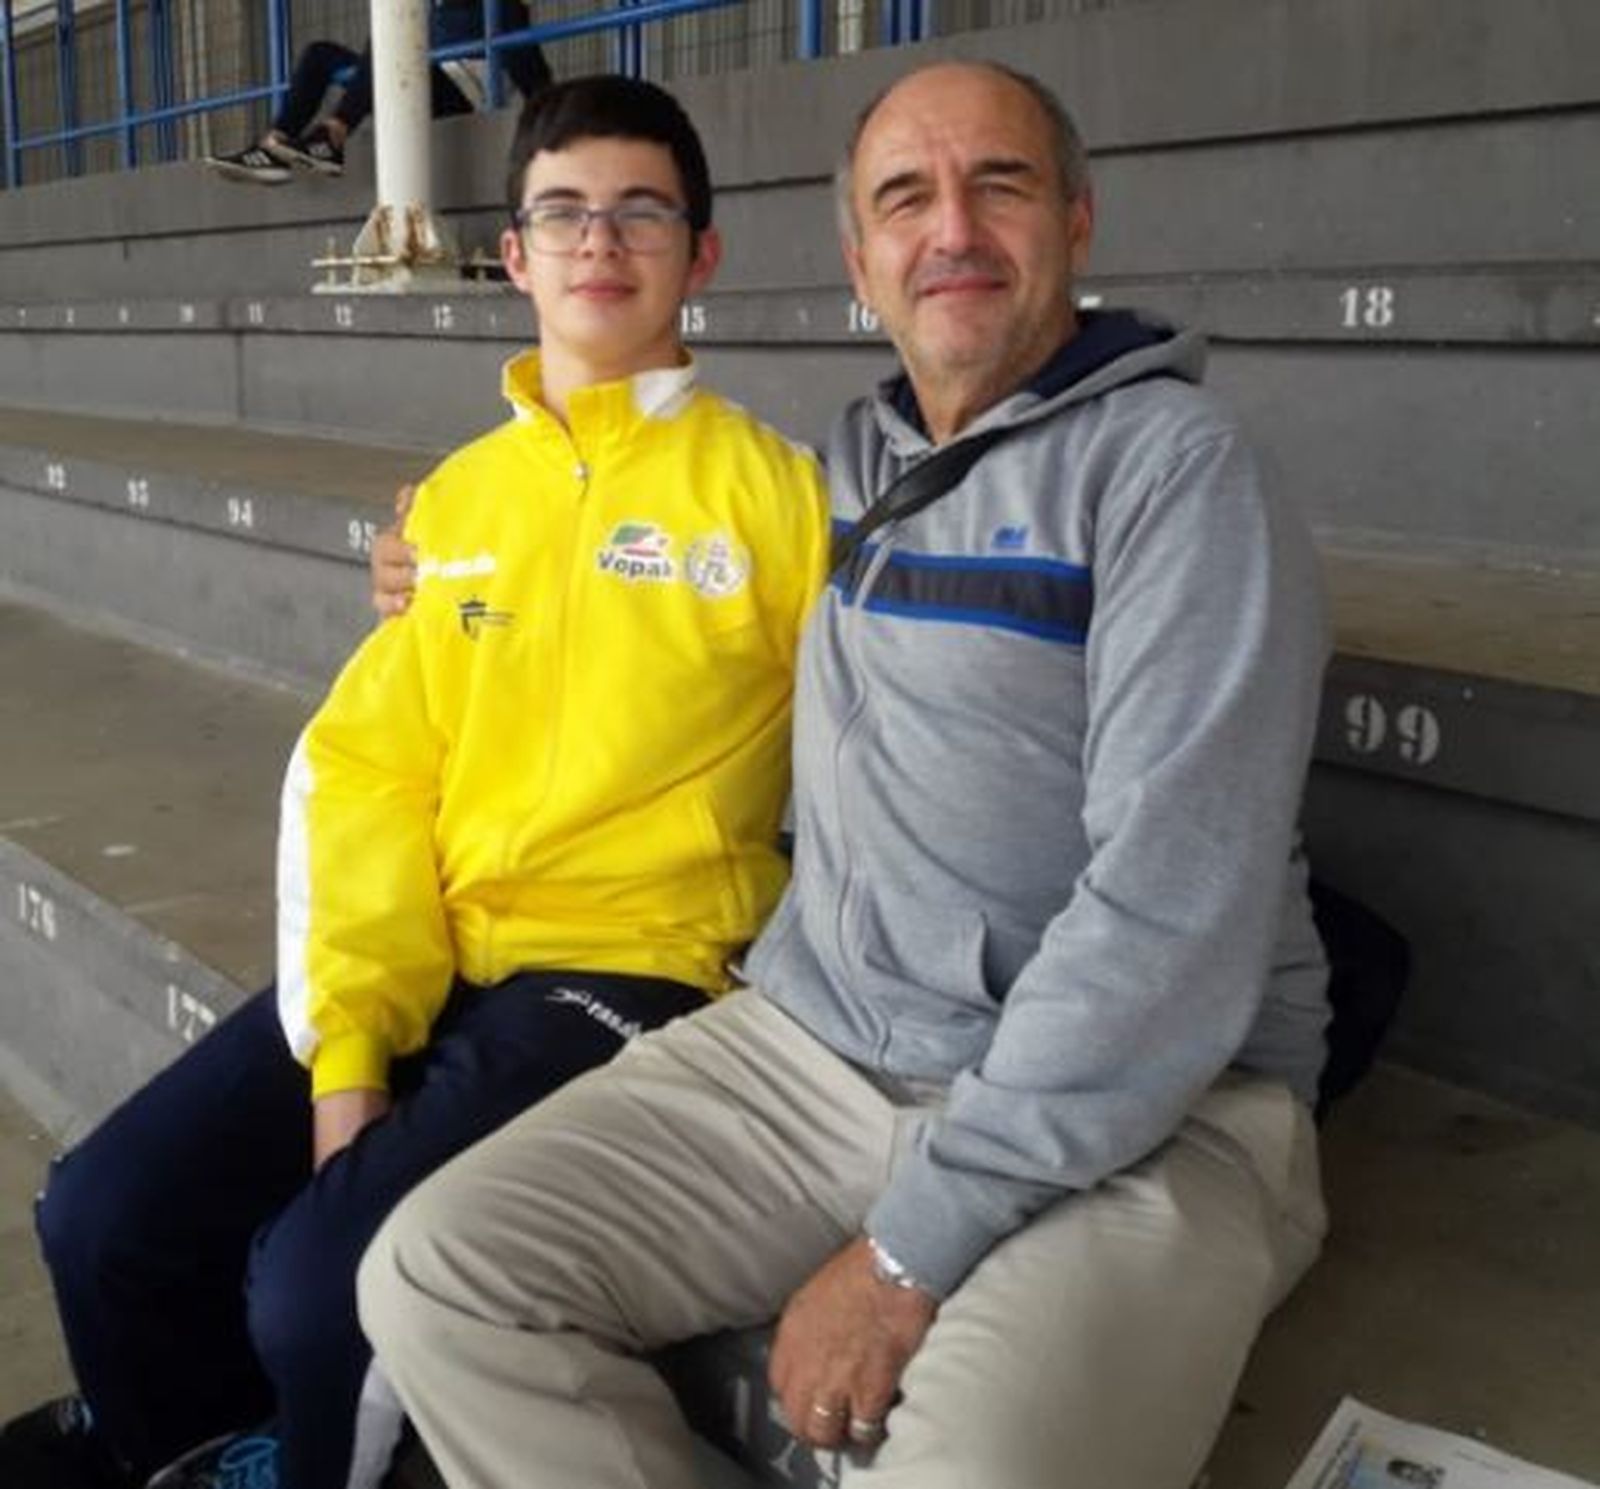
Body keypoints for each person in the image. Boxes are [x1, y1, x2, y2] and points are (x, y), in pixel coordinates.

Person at [357, 60, 1334, 1489]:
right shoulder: (849, 472)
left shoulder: (1179, 474)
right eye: (903, 198)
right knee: (437, 1274)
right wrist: (433, 553)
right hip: (817, 1044)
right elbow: (630, 544)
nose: (950, 229)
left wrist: (901, 1253)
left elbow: (1173, 923)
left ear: (1077, 218)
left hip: (1144, 1107)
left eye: (997, 185)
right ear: (857, 258)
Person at [0, 76, 827, 1489]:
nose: (599, 243)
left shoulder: (783, 499)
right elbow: (378, 774)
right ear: (511, 256)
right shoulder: (453, 505)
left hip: (627, 972)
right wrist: (352, 1056)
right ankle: (209, 1455)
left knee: (318, 1288)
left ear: (703, 253)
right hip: (437, 949)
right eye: (562, 213)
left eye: (642, 211)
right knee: (100, 1214)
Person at [205, 0, 552, 184]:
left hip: (461, 100)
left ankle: (334, 136)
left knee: (391, 37)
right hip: (425, 81)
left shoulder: (503, 7)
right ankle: (273, 149)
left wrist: (551, 115)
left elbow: (530, 70)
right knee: (318, 54)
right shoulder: (439, 9)